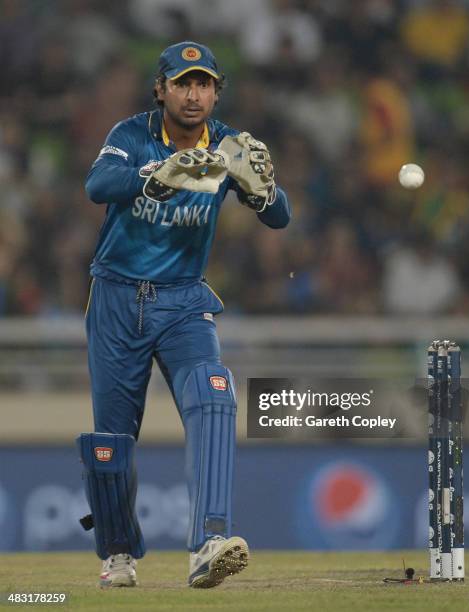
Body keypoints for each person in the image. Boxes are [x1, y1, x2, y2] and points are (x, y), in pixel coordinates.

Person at [77, 41, 290, 589]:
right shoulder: (131, 135)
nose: (194, 95)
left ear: (217, 91)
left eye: (204, 84)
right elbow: (96, 185)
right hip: (117, 298)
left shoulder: (230, 146)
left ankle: (209, 542)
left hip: (184, 300)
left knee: (216, 394)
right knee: (112, 441)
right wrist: (154, 177)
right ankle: (118, 554)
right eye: (183, 83)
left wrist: (264, 193)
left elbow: (280, 217)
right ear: (161, 89)